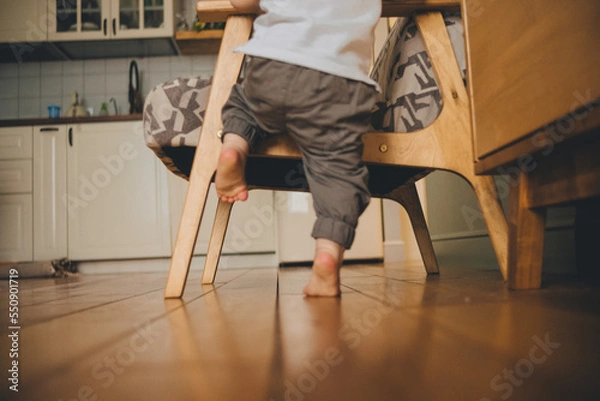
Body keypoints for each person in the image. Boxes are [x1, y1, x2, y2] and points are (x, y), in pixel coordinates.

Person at [216, 0, 381, 296]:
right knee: (337, 171)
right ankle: (327, 253)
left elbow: (241, 3)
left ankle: (234, 147)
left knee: (243, 104)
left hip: (271, 65)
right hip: (337, 78)